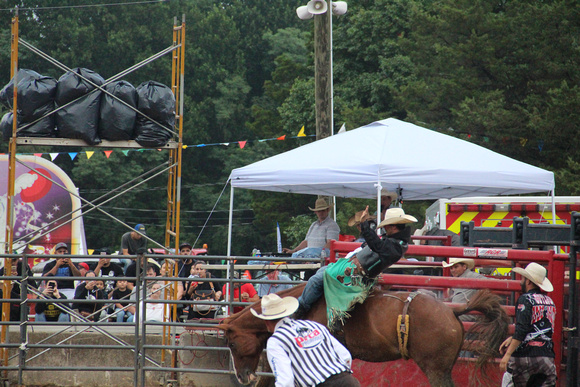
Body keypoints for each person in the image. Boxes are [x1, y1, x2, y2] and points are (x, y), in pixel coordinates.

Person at [296, 206, 416, 321]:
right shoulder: (397, 242)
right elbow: (377, 246)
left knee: (316, 280)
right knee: (320, 273)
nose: (385, 229)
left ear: (393, 227)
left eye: (387, 226)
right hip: (358, 267)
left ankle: (301, 309)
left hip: (358, 272)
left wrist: (365, 226)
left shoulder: (394, 244)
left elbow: (377, 246)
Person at [251, 294, 360, 387]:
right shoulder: (313, 325)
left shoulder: (276, 341)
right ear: (286, 313)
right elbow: (345, 356)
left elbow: (286, 381)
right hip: (348, 381)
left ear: (266, 322)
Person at [499, 262, 557, 387]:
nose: (521, 281)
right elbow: (541, 328)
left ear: (528, 281)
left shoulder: (525, 299)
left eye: (523, 278)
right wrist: (512, 338)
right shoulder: (549, 301)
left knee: (509, 380)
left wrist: (507, 354)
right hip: (546, 356)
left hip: (526, 356)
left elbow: (522, 329)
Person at [0, 257, 37, 321]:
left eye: (14, 260)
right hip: (6, 293)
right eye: (11, 260)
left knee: (35, 300)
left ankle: (31, 322)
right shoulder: (4, 269)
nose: (13, 262)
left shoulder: (24, 267)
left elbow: (32, 284)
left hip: (21, 293)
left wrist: (17, 278)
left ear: (18, 259)